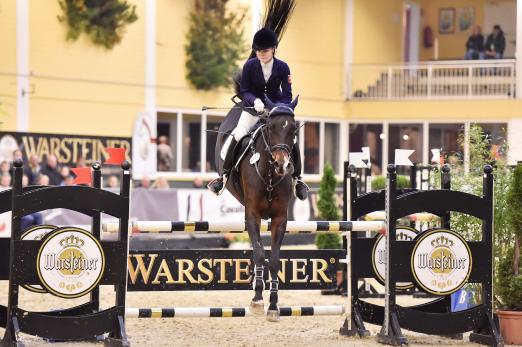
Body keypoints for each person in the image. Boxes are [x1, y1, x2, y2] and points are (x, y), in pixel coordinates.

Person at [207, 27, 308, 200]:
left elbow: (287, 94)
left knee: (293, 140)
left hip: (275, 112)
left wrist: (278, 108)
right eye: (258, 50)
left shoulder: (283, 67)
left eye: (265, 50)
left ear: (273, 49)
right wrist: (254, 100)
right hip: (253, 109)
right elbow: (245, 90)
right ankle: (223, 177)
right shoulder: (249, 66)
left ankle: (297, 180)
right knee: (238, 134)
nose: (261, 54)